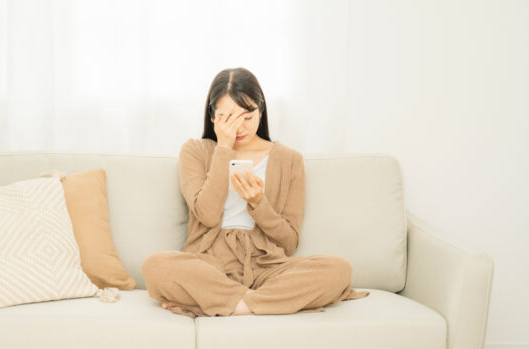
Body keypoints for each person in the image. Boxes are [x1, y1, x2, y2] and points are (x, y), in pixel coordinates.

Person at [141, 67, 370, 317]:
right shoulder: (196, 151)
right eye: (227, 118)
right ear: (212, 117)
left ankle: (229, 305)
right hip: (210, 263)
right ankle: (266, 304)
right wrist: (224, 149)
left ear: (261, 110)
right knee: (156, 267)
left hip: (266, 266)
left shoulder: (289, 159)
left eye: (247, 117)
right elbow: (206, 215)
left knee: (338, 270)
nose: (239, 127)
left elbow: (289, 242)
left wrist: (259, 203)